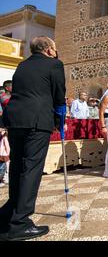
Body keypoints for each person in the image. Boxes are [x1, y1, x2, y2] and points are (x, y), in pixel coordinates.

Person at [0, 37, 66, 241]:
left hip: (15, 119)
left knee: (18, 168)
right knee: (31, 170)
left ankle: (9, 213)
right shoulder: (55, 64)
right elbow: (59, 95)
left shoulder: (22, 65)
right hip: (37, 121)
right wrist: (59, 119)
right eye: (55, 49)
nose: (56, 52)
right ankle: (20, 224)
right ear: (47, 50)